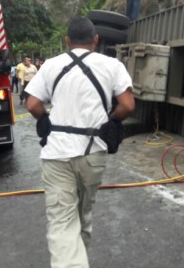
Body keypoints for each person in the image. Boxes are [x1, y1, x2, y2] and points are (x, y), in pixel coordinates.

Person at [25, 16, 135, 268]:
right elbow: (127, 105)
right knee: (83, 214)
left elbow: (32, 103)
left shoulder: (51, 65)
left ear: (67, 41)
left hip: (56, 156)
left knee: (62, 220)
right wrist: (112, 122)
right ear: (96, 40)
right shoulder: (112, 65)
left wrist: (43, 118)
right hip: (92, 153)